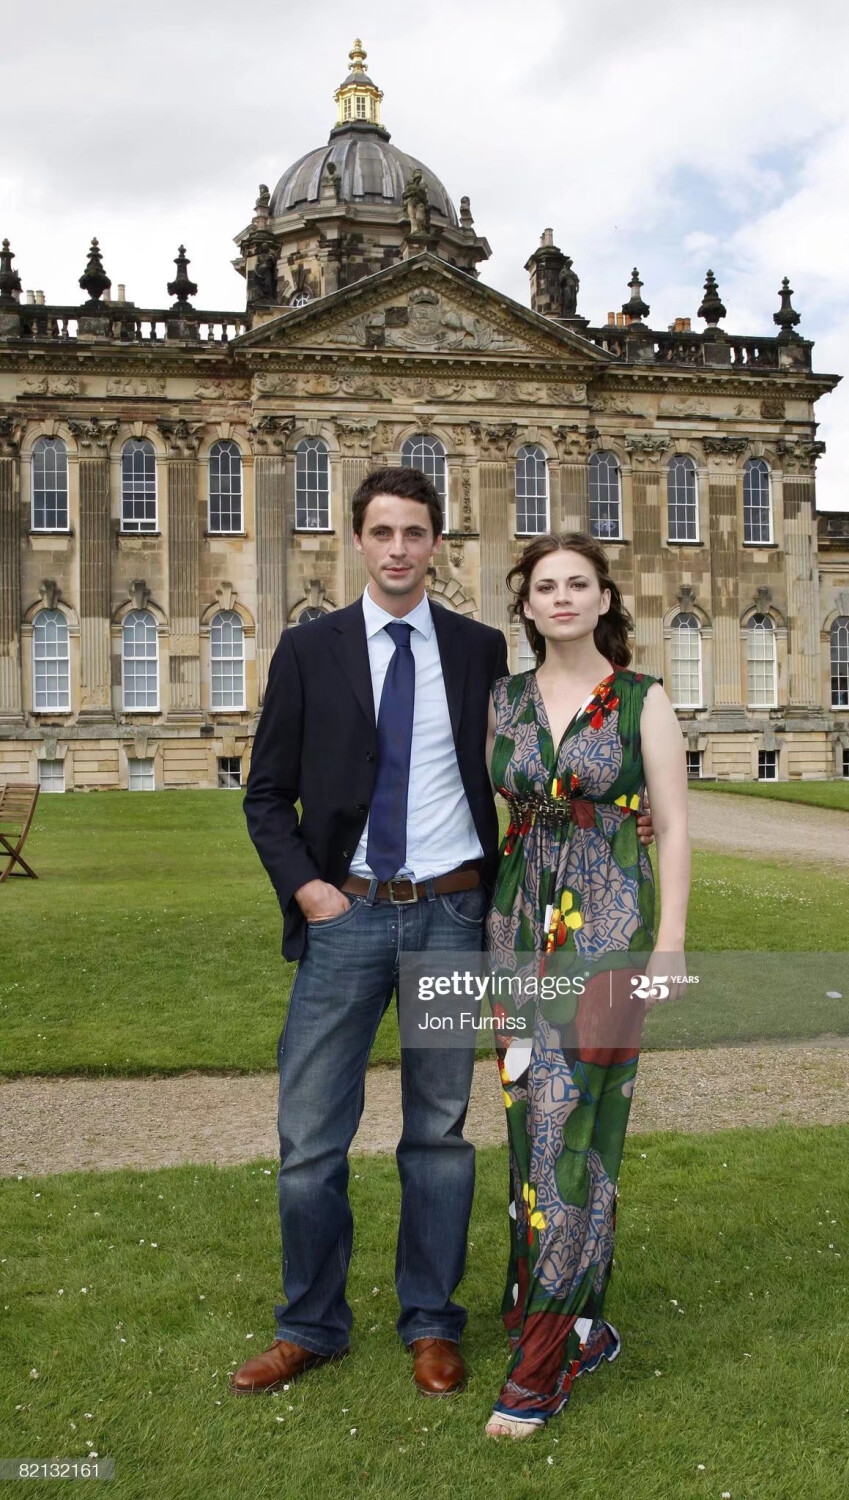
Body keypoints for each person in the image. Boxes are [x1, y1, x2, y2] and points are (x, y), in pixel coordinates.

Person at [235, 467, 508, 1399]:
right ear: (358, 540)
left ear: (439, 543)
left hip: (450, 913)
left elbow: (523, 763)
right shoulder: (309, 649)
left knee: (438, 1131)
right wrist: (310, 890)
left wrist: (624, 806)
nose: (398, 548)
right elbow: (266, 793)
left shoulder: (479, 649)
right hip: (346, 914)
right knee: (311, 1136)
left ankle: (431, 1320)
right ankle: (311, 1324)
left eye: (416, 532)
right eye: (382, 532)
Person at [483, 531, 691, 1438]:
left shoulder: (643, 701)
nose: (562, 597)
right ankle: (578, 1320)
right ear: (525, 606)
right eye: (544, 586)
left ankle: (538, 1371)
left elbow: (675, 828)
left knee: (574, 1127)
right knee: (532, 1124)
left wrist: (672, 943)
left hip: (609, 935)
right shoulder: (502, 701)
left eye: (579, 584)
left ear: (605, 598)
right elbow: (505, 810)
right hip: (514, 933)